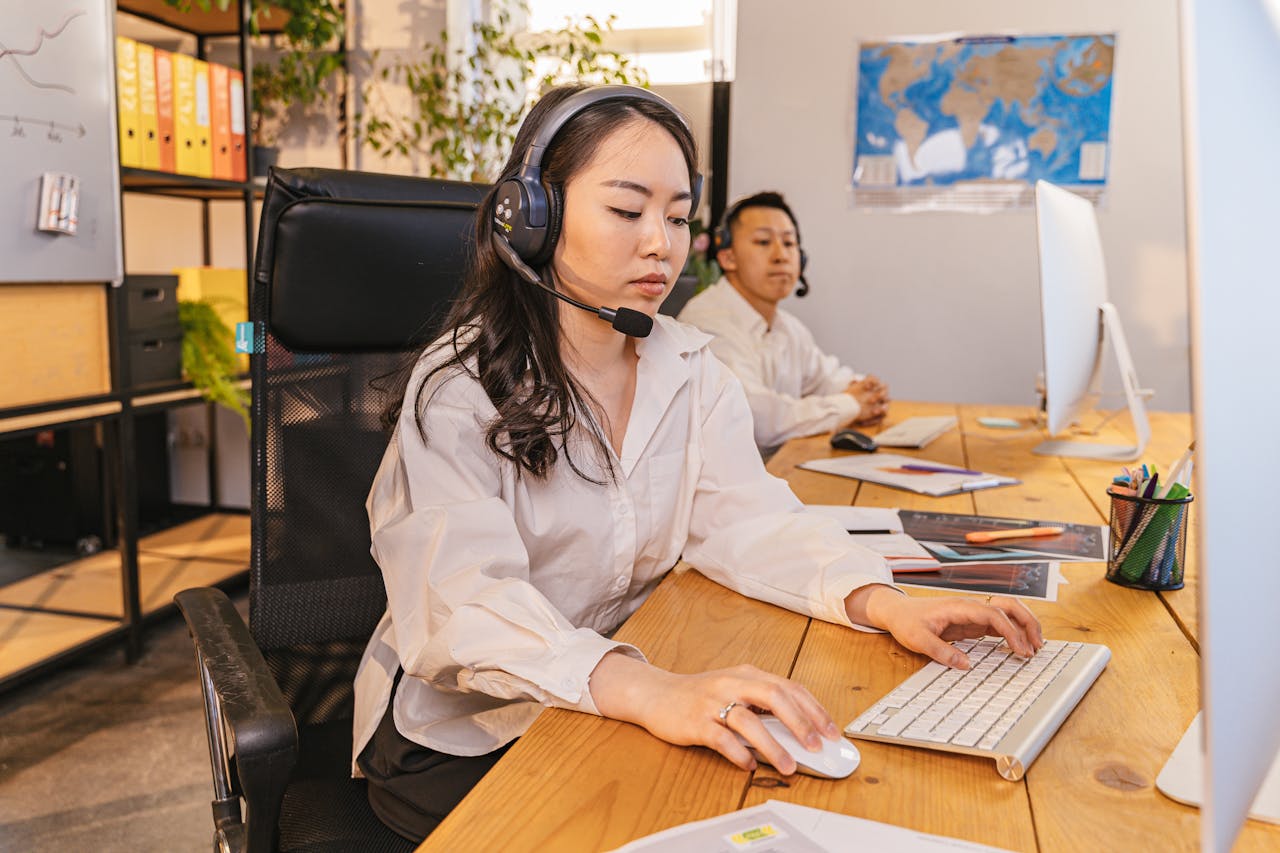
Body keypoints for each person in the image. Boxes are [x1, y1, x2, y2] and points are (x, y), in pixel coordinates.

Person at [352, 84, 1043, 841]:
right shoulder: (462, 387)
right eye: (627, 211)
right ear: (535, 215)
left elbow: (750, 520)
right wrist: (648, 689)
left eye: (678, 217)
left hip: (619, 700)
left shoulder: (690, 369)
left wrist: (886, 602)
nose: (662, 243)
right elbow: (463, 606)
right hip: (466, 733)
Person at [678, 192, 890, 455]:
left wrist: (866, 392)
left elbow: (826, 379)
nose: (780, 255)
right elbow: (755, 418)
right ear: (727, 258)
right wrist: (851, 404)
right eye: (763, 241)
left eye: (789, 243)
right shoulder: (706, 321)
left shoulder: (788, 328)